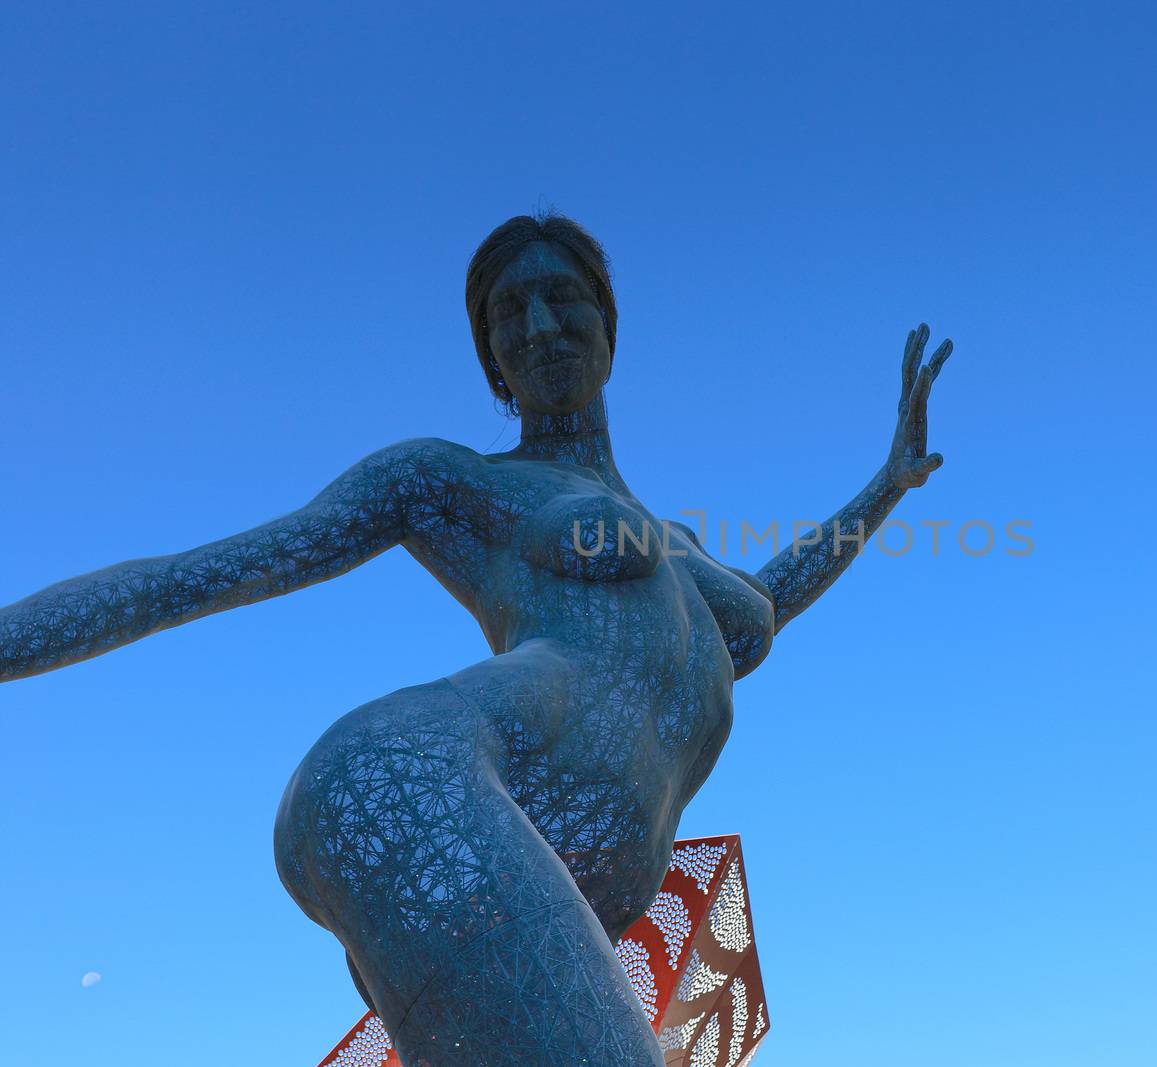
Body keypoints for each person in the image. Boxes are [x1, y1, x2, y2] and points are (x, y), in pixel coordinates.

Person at [0, 213, 953, 1066]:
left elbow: (769, 602)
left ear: (609, 327)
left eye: (561, 297)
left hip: (548, 897)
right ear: (491, 358)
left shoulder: (686, 548)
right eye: (509, 313)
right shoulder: (460, 483)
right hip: (416, 782)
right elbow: (218, 568)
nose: (538, 327)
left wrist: (887, 485)